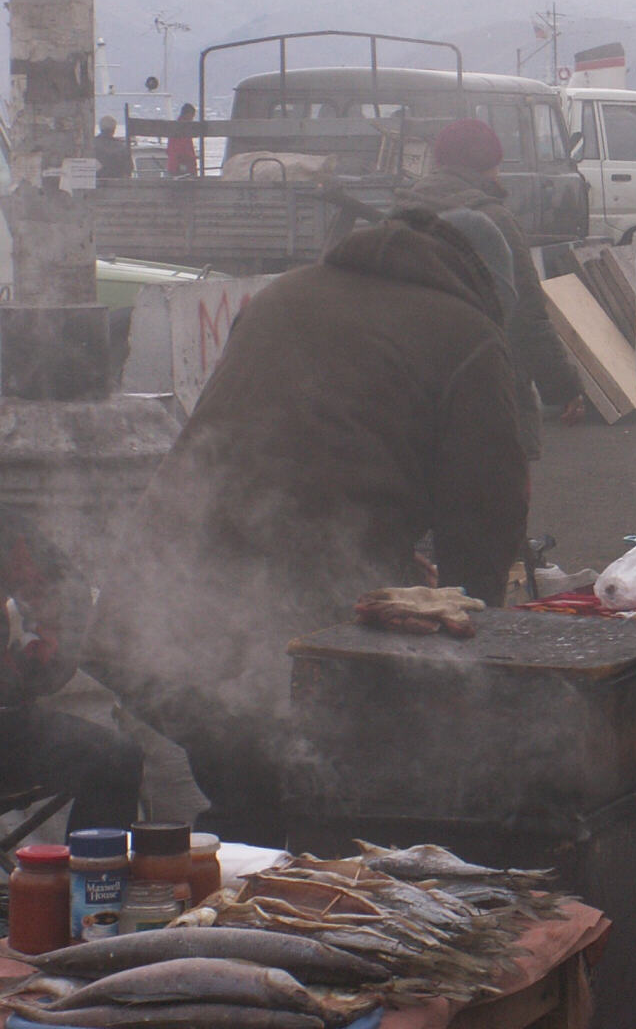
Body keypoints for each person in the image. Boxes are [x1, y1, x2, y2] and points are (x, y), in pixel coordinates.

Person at [88, 207, 529, 844]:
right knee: (299, 813)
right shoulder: (470, 334)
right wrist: (463, 619)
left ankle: (223, 906)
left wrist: (401, 577)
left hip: (162, 603)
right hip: (282, 633)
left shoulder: (286, 292)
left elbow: (299, 456)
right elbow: (485, 515)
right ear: (488, 287)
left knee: (248, 798)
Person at [393, 117, 584, 458]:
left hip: (411, 394)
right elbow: (526, 315)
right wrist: (562, 386)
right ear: (489, 163)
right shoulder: (493, 221)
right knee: (494, 505)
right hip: (486, 396)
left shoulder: (402, 213)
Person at [0, 506, 143, 832]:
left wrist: (39, 657)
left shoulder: (9, 532)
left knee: (117, 758)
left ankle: (92, 878)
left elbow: (64, 594)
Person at [93, 115, 132, 180]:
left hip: (95, 183)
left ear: (100, 128)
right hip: (117, 185)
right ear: (114, 129)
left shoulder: (91, 144)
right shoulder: (121, 147)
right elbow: (128, 170)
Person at [165, 103, 198, 178]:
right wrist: (191, 165)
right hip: (180, 167)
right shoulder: (182, 128)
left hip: (175, 166)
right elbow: (183, 150)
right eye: (192, 116)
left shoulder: (178, 127)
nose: (192, 119)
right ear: (187, 114)